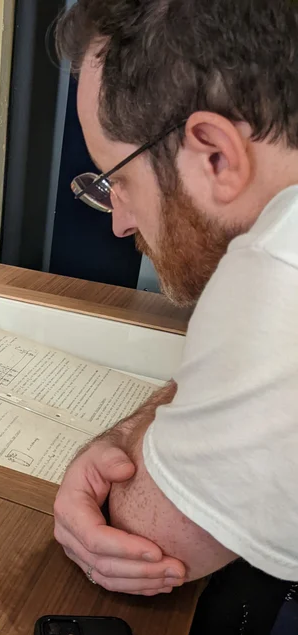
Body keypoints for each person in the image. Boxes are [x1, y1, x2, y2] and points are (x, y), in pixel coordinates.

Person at [53, 0, 298, 604]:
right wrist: (136, 431)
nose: (120, 222)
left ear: (216, 154)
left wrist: (110, 451)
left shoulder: (283, 269)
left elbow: (140, 532)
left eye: (120, 180)